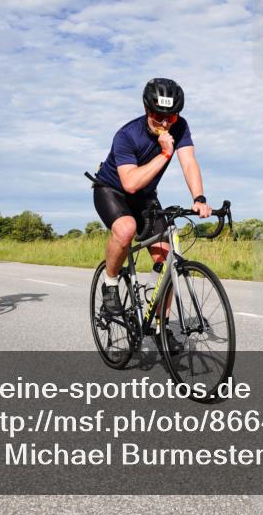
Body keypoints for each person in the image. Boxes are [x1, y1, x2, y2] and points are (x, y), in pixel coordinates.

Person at [92, 78, 212, 349]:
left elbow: (189, 161)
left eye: (171, 116)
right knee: (125, 230)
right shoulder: (127, 135)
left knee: (165, 256)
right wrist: (164, 154)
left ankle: (159, 326)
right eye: (159, 117)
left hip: (145, 197)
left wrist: (199, 198)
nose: (165, 123)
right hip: (112, 191)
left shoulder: (179, 127)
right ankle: (110, 283)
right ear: (147, 111)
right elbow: (130, 183)